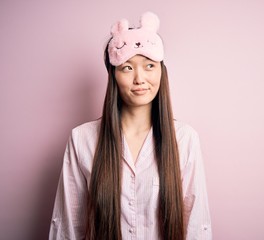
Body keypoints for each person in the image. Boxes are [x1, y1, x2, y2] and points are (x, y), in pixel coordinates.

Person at [49, 12, 211, 240]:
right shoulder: (82, 139)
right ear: (113, 75)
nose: (140, 78)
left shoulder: (184, 139)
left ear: (161, 72)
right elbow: (66, 227)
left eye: (149, 66)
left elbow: (197, 226)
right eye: (127, 67)